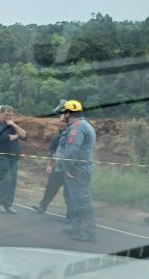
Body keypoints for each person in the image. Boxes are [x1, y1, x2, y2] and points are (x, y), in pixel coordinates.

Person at [55, 99, 97, 242]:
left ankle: (88, 231)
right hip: (81, 167)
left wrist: (67, 167)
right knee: (76, 199)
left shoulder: (76, 127)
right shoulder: (84, 124)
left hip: (77, 168)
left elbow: (72, 151)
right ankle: (77, 226)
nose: (62, 116)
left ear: (68, 113)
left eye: (63, 113)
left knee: (81, 199)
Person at [32, 101, 74, 222]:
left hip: (69, 169)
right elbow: (51, 152)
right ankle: (42, 205)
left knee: (68, 193)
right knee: (50, 187)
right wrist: (49, 165)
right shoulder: (56, 136)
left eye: (64, 122)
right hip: (57, 167)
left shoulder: (73, 135)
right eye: (60, 122)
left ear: (68, 123)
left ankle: (70, 215)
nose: (61, 124)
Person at [0, 105, 27, 214]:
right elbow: (2, 138)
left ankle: (8, 205)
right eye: (6, 114)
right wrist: (15, 136)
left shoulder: (12, 124)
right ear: (0, 114)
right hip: (1, 155)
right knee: (6, 179)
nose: (9, 116)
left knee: (13, 181)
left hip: (13, 156)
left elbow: (24, 136)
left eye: (10, 114)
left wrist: (14, 125)